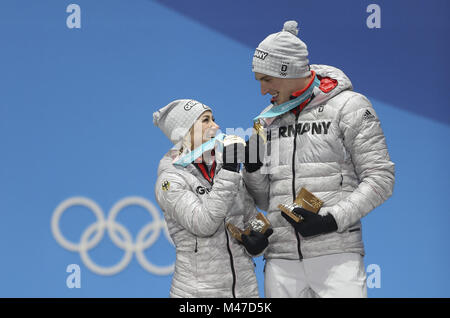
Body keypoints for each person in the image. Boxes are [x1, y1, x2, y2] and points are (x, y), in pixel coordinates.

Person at [242, 21, 395, 298]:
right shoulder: (267, 120)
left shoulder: (349, 106)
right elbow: (266, 201)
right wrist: (252, 170)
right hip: (280, 260)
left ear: (287, 71)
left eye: (267, 79)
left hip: (336, 256)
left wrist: (330, 220)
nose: (262, 91)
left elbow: (381, 179)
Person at [153, 99, 273, 298]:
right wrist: (230, 170)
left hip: (245, 291)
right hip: (198, 294)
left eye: (214, 119)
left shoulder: (222, 165)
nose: (216, 126)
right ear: (184, 131)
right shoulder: (170, 180)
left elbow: (250, 217)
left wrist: (257, 243)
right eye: (206, 120)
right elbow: (203, 224)